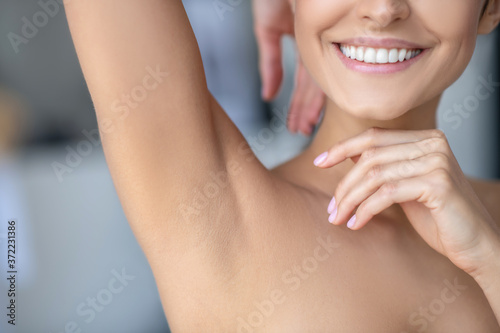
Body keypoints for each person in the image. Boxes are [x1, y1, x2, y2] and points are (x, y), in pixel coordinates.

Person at [65, 0, 500, 332]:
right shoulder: (218, 208)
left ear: (490, 8)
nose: (382, 10)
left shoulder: (488, 233)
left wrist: (489, 259)